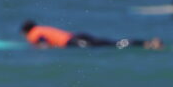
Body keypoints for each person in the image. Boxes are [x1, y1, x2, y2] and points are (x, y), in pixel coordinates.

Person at [20, 21, 163, 50]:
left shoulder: (33, 34)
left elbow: (43, 43)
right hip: (77, 36)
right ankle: (146, 42)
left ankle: (146, 44)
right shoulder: (41, 27)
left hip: (73, 43)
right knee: (112, 42)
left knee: (112, 46)